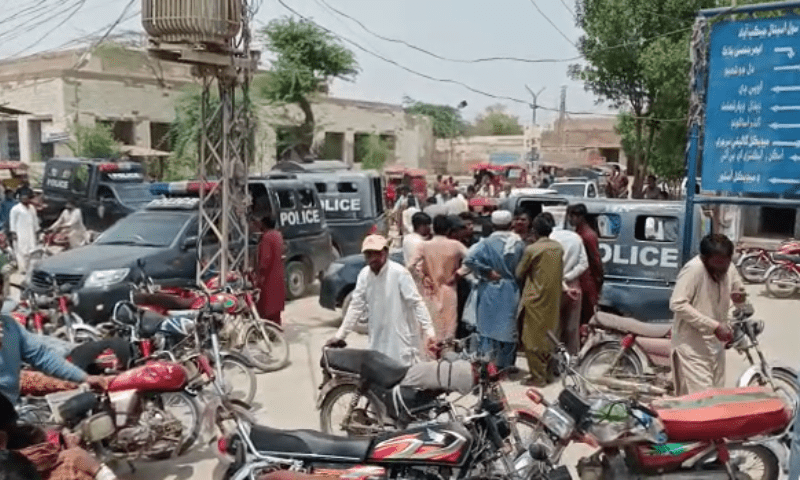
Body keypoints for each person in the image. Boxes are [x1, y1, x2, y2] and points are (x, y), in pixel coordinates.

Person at [328, 235, 435, 366]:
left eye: (377, 254)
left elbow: (416, 303)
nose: (373, 259)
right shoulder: (364, 275)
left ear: (385, 253)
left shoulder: (399, 273)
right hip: (377, 338)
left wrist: (429, 332)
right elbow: (355, 307)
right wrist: (340, 336)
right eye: (368, 255)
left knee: (403, 378)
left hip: (401, 340)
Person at [670, 234, 745, 396]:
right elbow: (677, 303)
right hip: (692, 346)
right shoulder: (694, 270)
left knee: (717, 394)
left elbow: (739, 290)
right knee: (704, 399)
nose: (722, 267)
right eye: (717, 262)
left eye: (725, 261)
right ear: (705, 258)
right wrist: (714, 326)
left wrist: (740, 299)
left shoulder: (729, 268)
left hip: (716, 345)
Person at [463, 210, 525, 370]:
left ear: (492, 225)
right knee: (508, 326)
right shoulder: (518, 243)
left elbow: (469, 259)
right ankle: (506, 365)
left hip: (489, 289)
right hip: (510, 289)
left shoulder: (485, 243)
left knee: (487, 327)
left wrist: (486, 271)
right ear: (511, 224)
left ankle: (487, 364)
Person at [516, 214, 564, 386]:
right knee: (550, 336)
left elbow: (519, 273)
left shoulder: (532, 249)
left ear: (534, 230)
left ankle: (538, 377)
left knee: (531, 339)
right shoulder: (558, 248)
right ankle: (549, 373)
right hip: (553, 298)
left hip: (535, 298)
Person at [409, 216, 468, 342]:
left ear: (433, 229)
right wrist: (459, 273)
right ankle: (447, 352)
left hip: (430, 288)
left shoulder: (424, 245)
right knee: (450, 324)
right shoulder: (456, 245)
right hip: (449, 287)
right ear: (448, 230)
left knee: (432, 322)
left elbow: (410, 266)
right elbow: (473, 260)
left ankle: (432, 353)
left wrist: (422, 277)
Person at [544, 213, 589, 355]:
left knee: (553, 327)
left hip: (553, 286)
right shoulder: (576, 238)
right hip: (573, 286)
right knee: (571, 328)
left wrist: (560, 278)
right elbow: (584, 264)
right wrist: (568, 277)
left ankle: (554, 360)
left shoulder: (549, 239)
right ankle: (571, 360)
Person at [567, 204, 604, 325]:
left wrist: (598, 278)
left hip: (587, 280)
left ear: (580, 216)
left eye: (572, 216)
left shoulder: (587, 235)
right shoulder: (579, 232)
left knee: (587, 317)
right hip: (581, 277)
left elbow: (595, 259)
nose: (570, 219)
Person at [255, 215, 285, 325]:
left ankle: (269, 328)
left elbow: (265, 259)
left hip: (269, 276)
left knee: (267, 304)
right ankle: (277, 325)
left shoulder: (267, 237)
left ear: (264, 225)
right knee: (276, 303)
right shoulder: (278, 235)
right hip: (278, 273)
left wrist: (260, 273)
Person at [8, 193, 39, 275]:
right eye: (23, 198)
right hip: (20, 233)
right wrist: (13, 232)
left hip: (31, 232)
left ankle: (30, 268)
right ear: (21, 199)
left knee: (31, 250)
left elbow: (35, 219)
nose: (25, 200)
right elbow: (12, 221)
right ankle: (22, 269)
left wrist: (37, 229)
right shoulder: (16, 209)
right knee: (21, 251)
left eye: (27, 198)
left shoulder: (32, 208)